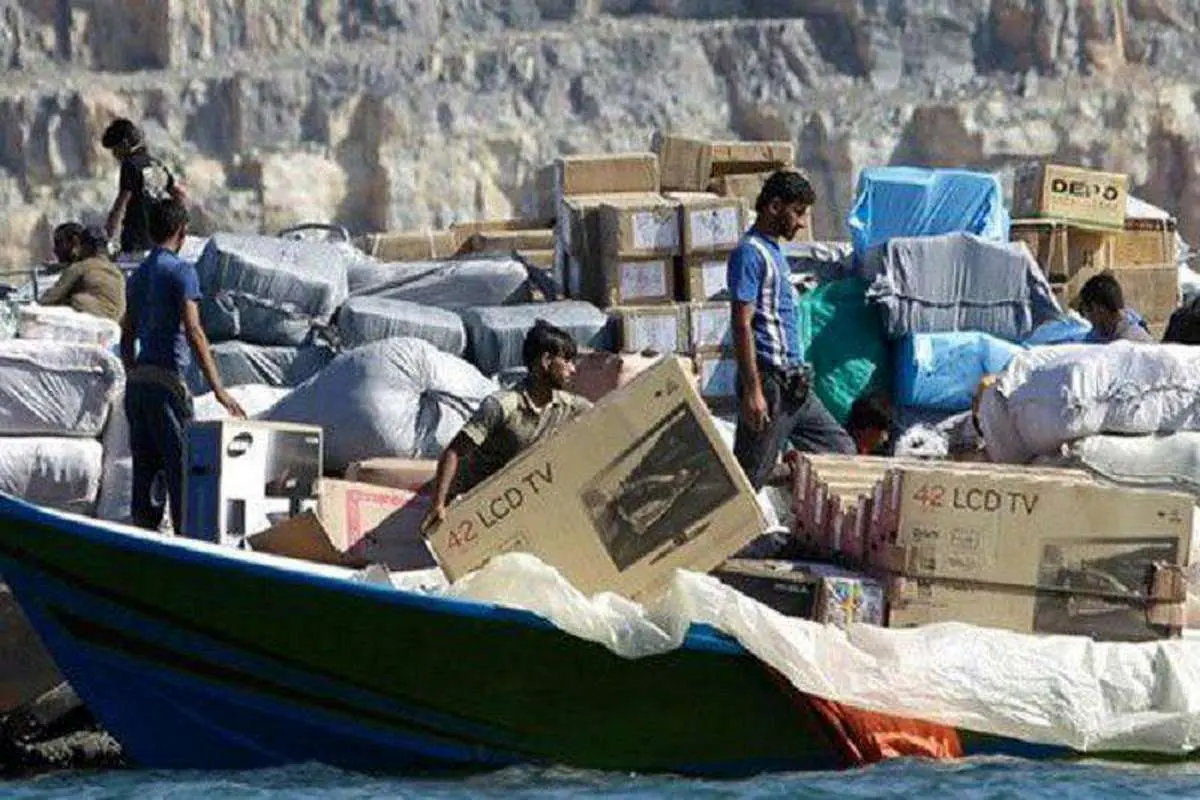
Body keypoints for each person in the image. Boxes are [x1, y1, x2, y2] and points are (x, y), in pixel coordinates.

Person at [120, 198, 244, 532]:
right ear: (182, 230)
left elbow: (126, 332)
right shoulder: (182, 272)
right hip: (166, 385)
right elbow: (194, 331)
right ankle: (185, 548)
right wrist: (220, 391)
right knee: (181, 473)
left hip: (138, 386)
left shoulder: (137, 276)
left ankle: (142, 549)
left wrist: (133, 372)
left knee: (145, 473)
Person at [727, 170, 855, 490]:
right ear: (773, 206)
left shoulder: (774, 253)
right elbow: (742, 323)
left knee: (840, 451)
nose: (800, 222)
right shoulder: (750, 253)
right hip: (770, 385)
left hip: (796, 387)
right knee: (747, 481)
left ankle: (785, 473)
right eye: (797, 212)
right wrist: (753, 391)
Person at [423, 320, 593, 531]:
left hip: (511, 505)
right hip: (472, 505)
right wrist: (438, 504)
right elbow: (454, 452)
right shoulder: (502, 406)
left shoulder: (566, 405)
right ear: (546, 361)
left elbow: (607, 413)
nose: (573, 369)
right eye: (566, 361)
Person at [102, 118, 184, 259]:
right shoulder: (156, 164)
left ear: (125, 144)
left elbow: (122, 201)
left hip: (135, 244)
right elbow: (179, 195)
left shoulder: (130, 165)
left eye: (115, 149)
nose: (115, 155)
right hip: (157, 243)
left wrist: (108, 234)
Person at [39, 223, 126, 322]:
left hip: (93, 319)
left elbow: (51, 297)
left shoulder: (81, 267)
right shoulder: (116, 271)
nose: (55, 250)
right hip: (116, 320)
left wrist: (35, 306)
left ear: (84, 246)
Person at [1078, 272, 1154, 343]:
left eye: (1086, 310)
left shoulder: (1136, 343)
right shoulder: (1094, 337)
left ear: (1099, 309)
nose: (1086, 317)